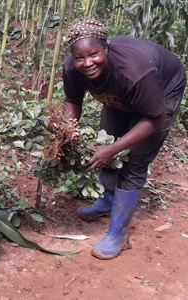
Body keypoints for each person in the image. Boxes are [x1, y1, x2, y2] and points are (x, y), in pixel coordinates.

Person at [62, 19, 186, 260]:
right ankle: (106, 202)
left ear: (105, 48)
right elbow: (72, 101)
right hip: (120, 95)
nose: (87, 63)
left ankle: (117, 233)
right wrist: (68, 131)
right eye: (80, 58)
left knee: (134, 159)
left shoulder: (135, 73)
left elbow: (154, 116)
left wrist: (114, 148)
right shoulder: (72, 69)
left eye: (94, 54)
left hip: (161, 93)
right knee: (106, 143)